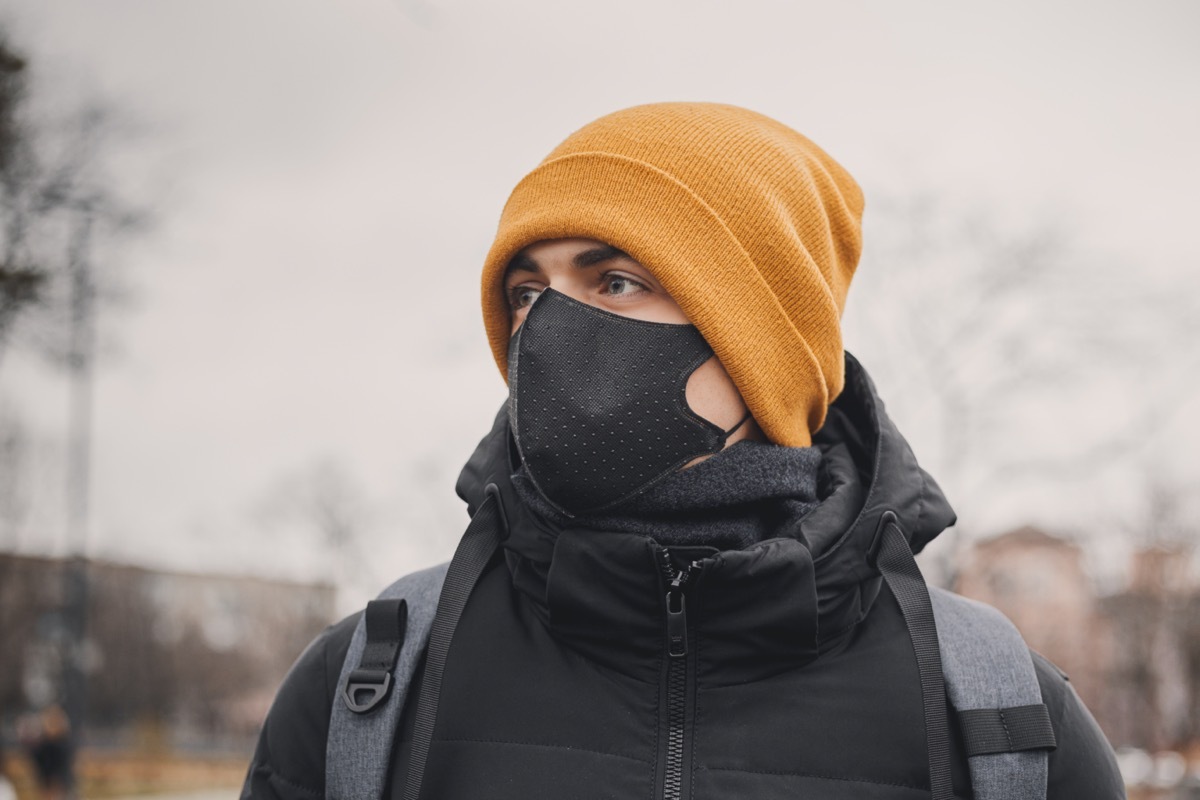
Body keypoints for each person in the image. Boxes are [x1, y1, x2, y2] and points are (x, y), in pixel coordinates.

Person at [242, 102, 1125, 799]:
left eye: (615, 280)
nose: (547, 328)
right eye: (525, 291)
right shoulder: (370, 688)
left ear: (764, 342)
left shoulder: (1001, 714)